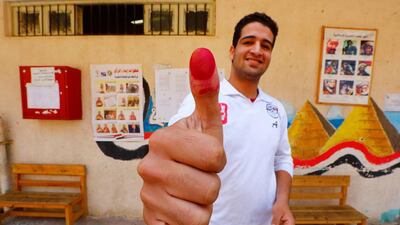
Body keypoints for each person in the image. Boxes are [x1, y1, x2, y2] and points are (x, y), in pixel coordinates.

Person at [137, 12, 294, 225]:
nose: (257, 50)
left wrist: (282, 201)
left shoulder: (276, 108)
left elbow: (282, 158)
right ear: (232, 51)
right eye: (248, 42)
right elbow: (175, 142)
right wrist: (165, 158)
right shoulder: (203, 102)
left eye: (266, 46)